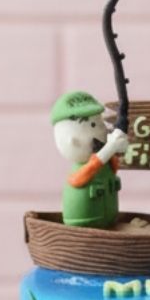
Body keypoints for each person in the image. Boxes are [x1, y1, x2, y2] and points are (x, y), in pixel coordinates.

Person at [51, 90, 130, 228]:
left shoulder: (103, 161)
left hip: (110, 220)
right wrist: (110, 148)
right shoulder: (82, 169)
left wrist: (117, 149)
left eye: (101, 122)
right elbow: (77, 179)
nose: (103, 130)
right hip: (85, 225)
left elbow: (113, 168)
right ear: (73, 141)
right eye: (94, 125)